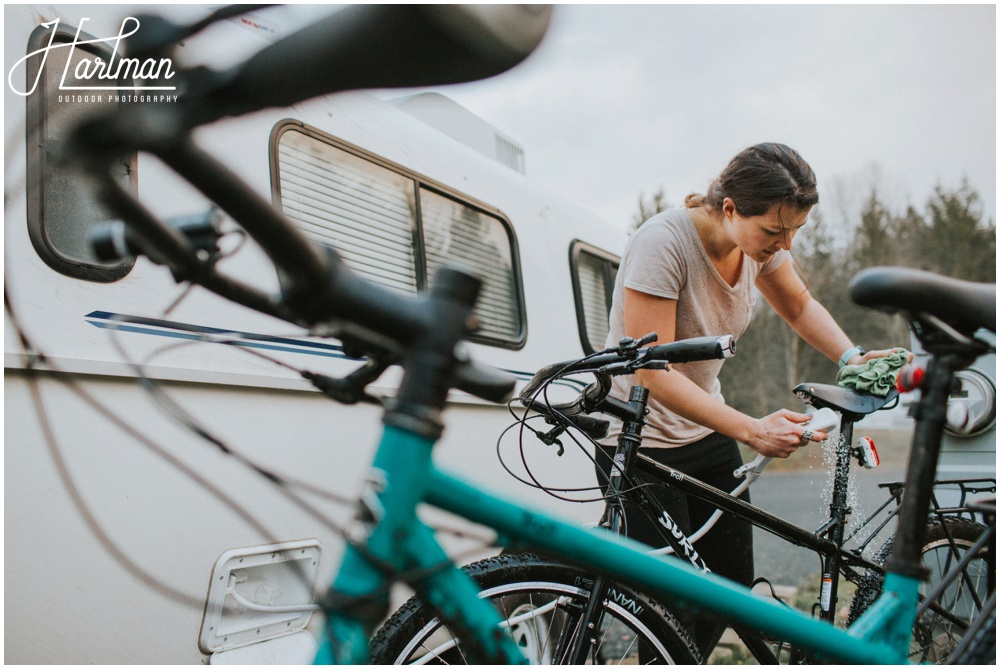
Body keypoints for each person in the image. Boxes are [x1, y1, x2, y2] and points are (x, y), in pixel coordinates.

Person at [594, 142, 901, 657]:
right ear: (730, 208)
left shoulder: (761, 247)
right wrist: (752, 428)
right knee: (669, 606)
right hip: (638, 441)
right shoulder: (663, 244)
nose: (784, 244)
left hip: (703, 430)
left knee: (730, 590)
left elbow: (800, 305)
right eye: (776, 231)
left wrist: (853, 357)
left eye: (795, 232)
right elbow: (651, 372)